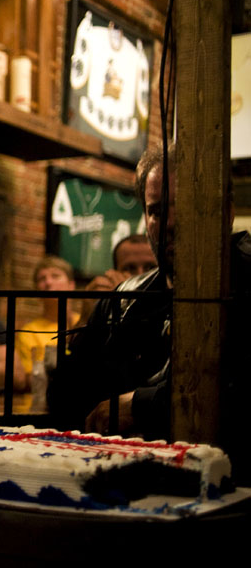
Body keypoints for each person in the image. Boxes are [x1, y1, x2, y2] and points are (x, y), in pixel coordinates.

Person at [64, 144, 251, 454]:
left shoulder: (247, 278)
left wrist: (142, 405)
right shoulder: (122, 301)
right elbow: (71, 395)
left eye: (189, 205)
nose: (171, 223)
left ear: (228, 212)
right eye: (158, 211)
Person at [12, 255, 80, 401]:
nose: (48, 282)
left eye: (55, 276)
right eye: (42, 279)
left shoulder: (83, 323)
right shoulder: (28, 332)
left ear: (71, 285)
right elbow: (31, 381)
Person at [79, 234, 158, 321]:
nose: (140, 275)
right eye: (130, 268)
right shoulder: (105, 302)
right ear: (114, 272)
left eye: (151, 268)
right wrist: (87, 316)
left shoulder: (171, 303)